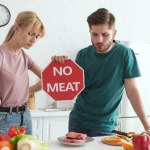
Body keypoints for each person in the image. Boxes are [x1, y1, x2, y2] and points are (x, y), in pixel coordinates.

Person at [52, 8, 150, 137]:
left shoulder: (125, 54)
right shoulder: (82, 55)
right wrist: (59, 66)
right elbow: (69, 85)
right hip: (78, 120)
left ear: (114, 33)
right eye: (94, 34)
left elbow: (132, 91)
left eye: (105, 35)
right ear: (90, 32)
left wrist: (146, 125)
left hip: (105, 125)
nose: (99, 40)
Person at [0, 11, 45, 135]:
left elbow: (49, 79)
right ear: (17, 28)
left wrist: (58, 63)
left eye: (37, 36)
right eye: (30, 34)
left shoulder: (24, 56)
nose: (33, 40)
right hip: (4, 118)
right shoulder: (1, 55)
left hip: (25, 115)